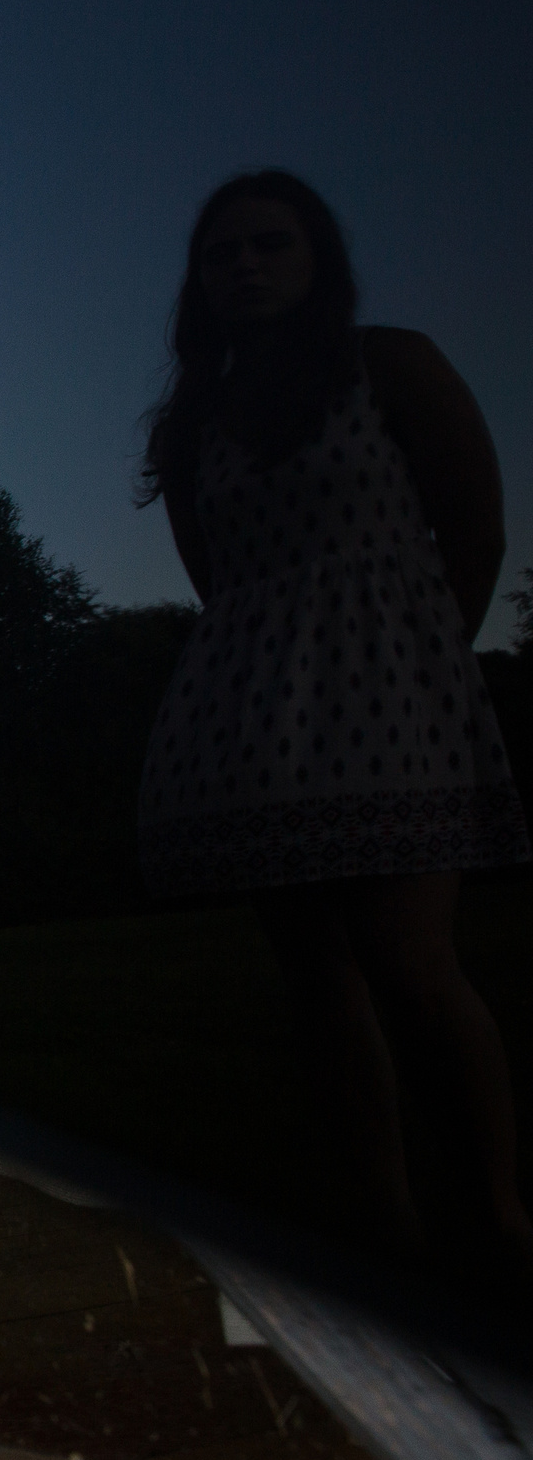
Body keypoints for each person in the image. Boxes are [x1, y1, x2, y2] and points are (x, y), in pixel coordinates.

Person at [134, 170, 532, 1278]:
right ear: (199, 283)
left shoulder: (392, 366)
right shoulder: (193, 427)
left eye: (271, 245)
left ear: (317, 263)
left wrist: (417, 665)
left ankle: (497, 1215)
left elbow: (475, 527)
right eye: (223, 254)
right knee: (315, 976)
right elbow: (218, 577)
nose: (246, 266)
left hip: (394, 690)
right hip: (258, 712)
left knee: (410, 962)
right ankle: (383, 1218)